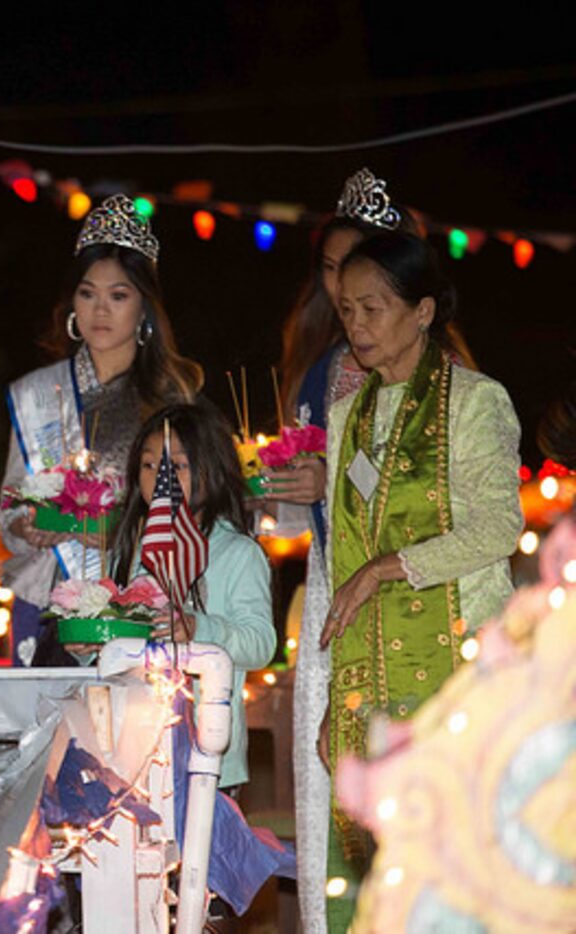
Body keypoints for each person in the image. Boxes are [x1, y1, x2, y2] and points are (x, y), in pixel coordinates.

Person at [318, 232, 521, 930]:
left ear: (424, 311)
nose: (357, 325)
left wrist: (392, 567)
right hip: (364, 690)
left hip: (455, 676)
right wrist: (331, 704)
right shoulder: (346, 416)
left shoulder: (474, 403)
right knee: (372, 890)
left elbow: (498, 527)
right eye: (346, 309)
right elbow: (345, 566)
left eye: (373, 308)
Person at [263, 168, 409, 931]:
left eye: (361, 277)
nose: (344, 295)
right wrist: (281, 490)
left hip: (413, 597)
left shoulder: (449, 379)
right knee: (330, 787)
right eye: (330, 273)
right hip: (330, 592)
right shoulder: (319, 369)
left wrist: (337, 482)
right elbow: (302, 515)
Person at [0, 194, 202, 667]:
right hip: (49, 603)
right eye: (88, 294)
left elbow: (195, 517)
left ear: (144, 307)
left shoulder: (175, 401)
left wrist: (116, 527)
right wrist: (26, 526)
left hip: (141, 604)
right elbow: (8, 507)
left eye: (119, 296)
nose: (100, 311)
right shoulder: (38, 395)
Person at [111, 402, 276, 790]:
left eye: (178, 466)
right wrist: (90, 644)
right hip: (134, 750)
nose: (161, 477)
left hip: (207, 754)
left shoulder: (239, 554)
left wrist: (199, 627)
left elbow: (260, 642)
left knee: (201, 849)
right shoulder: (130, 551)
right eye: (149, 465)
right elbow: (116, 633)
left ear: (211, 469)